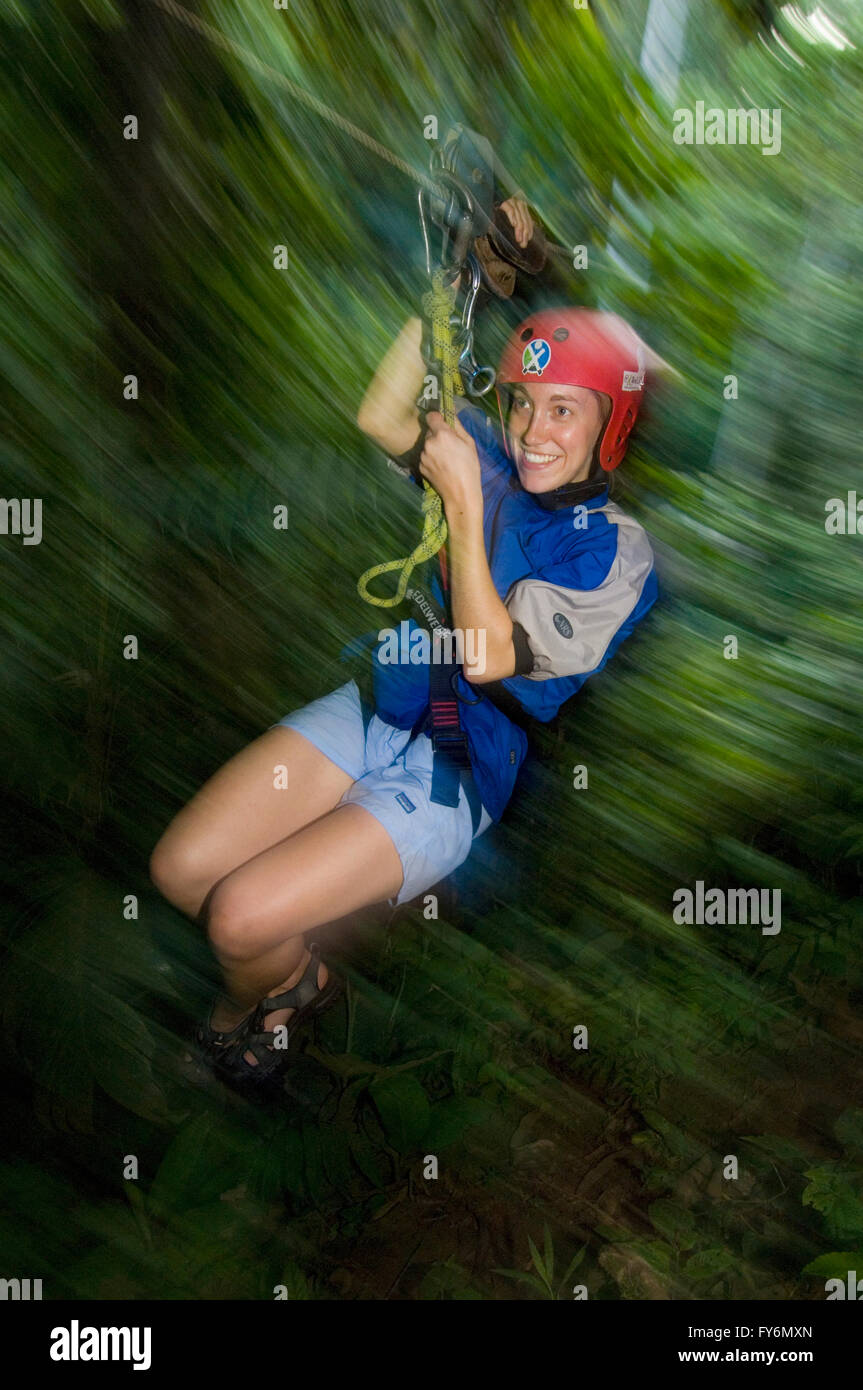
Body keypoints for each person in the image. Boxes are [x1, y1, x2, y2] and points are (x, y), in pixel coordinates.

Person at [149, 198, 658, 1097]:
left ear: (608, 428)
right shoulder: (497, 466)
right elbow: (381, 414)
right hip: (378, 703)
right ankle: (293, 974)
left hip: (454, 775)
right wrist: (457, 279)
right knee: (182, 869)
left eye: (565, 412)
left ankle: (254, 1012)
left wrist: (465, 503)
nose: (533, 431)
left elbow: (489, 656)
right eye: (523, 405)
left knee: (236, 921)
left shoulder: (613, 551)